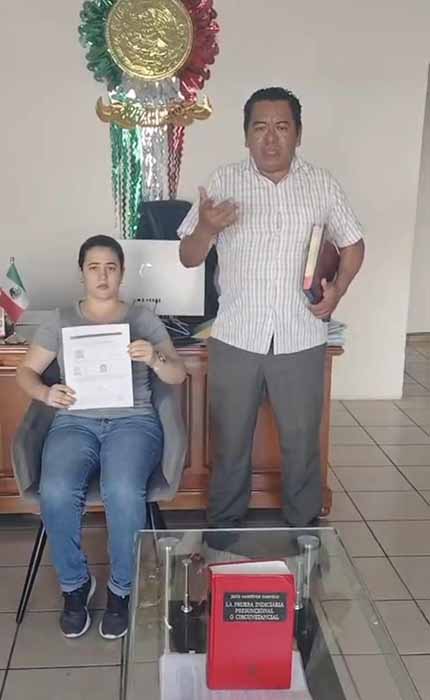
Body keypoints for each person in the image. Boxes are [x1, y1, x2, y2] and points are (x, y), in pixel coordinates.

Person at [179, 86, 364, 528]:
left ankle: (304, 533)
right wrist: (205, 228)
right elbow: (188, 257)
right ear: (245, 134)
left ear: (298, 133)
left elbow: (353, 244)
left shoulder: (321, 184)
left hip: (301, 335)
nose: (270, 137)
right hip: (236, 336)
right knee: (229, 442)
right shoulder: (224, 181)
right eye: (260, 127)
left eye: (282, 127)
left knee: (301, 443)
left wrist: (338, 290)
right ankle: (224, 533)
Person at [17, 235, 186, 639]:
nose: (103, 275)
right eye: (94, 267)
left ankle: (120, 590)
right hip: (75, 422)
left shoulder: (142, 319)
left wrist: (155, 357)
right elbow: (26, 372)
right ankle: (75, 586)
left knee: (123, 489)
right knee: (57, 489)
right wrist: (46, 393)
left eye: (111, 267)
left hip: (133, 421)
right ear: (82, 274)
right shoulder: (61, 319)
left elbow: (178, 374)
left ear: (122, 273)